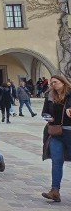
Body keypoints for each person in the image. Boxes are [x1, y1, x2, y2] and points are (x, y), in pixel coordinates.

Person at [41, 74, 71, 202]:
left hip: (69, 132)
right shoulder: (50, 96)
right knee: (56, 161)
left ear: (63, 83)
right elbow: (44, 113)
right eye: (51, 83)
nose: (53, 85)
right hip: (55, 132)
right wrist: (48, 118)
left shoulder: (70, 95)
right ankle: (55, 191)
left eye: (55, 82)